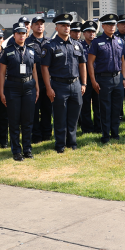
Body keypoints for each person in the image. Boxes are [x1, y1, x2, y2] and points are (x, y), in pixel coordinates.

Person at [40, 13, 87, 153]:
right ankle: (60, 144)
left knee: (73, 116)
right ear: (57, 27)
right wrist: (48, 88)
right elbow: (44, 68)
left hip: (76, 85)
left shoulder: (77, 45)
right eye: (63, 25)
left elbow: (82, 65)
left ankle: (72, 143)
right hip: (59, 85)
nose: (66, 28)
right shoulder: (50, 46)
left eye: (68, 25)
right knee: (60, 116)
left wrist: (83, 84)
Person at [0, 23, 39, 161]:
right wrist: (2, 92)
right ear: (14, 35)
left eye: (24, 33)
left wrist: (37, 88)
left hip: (29, 87)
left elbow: (34, 71)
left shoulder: (31, 50)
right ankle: (16, 150)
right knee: (14, 121)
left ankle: (27, 149)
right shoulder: (7, 51)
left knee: (28, 120)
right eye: (19, 33)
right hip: (12, 87)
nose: (21, 36)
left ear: (26, 35)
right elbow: (2, 73)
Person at [88, 13, 125, 143]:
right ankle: (105, 135)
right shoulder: (97, 42)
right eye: (109, 24)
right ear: (103, 26)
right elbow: (90, 62)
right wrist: (93, 81)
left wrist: (123, 77)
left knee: (117, 108)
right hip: (103, 79)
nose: (112, 27)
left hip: (117, 78)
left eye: (113, 24)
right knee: (105, 108)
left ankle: (115, 133)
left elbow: (123, 60)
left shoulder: (119, 41)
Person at [28, 16, 53, 143]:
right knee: (34, 110)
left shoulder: (49, 42)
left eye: (41, 24)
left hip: (47, 81)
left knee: (47, 108)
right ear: (31, 27)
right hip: (32, 81)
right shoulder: (27, 42)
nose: (39, 26)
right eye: (36, 24)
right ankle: (36, 136)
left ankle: (47, 134)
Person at [79, 20, 101, 134]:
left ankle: (99, 127)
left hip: (98, 77)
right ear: (83, 33)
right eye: (88, 31)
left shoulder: (99, 44)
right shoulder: (79, 46)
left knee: (98, 104)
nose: (91, 34)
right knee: (85, 105)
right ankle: (87, 128)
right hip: (85, 79)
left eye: (93, 31)